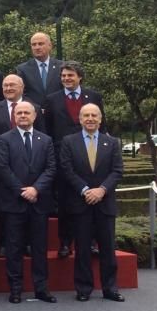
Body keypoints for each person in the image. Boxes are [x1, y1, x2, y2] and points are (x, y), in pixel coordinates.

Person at [60, 103, 125, 302]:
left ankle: (110, 288)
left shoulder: (112, 142)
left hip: (104, 204)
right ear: (80, 119)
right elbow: (67, 169)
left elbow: (117, 171)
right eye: (86, 115)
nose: (90, 119)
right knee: (82, 249)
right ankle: (83, 288)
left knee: (107, 248)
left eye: (94, 115)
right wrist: (86, 190)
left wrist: (102, 190)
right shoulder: (69, 141)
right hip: (81, 203)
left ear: (100, 119)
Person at [0, 101, 57, 304]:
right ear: (14, 116)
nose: (22, 115)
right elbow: (2, 168)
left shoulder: (46, 140)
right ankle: (16, 289)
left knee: (39, 248)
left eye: (26, 113)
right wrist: (22, 190)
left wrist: (35, 189)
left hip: (39, 202)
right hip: (14, 203)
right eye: (19, 113)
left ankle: (41, 288)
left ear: (34, 116)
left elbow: (51, 168)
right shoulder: (4, 139)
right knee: (14, 248)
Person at [43, 61, 105, 257]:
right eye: (63, 76)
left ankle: (92, 242)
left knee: (92, 200)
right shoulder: (52, 99)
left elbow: (102, 126)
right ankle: (65, 242)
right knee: (65, 202)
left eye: (70, 75)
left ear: (79, 77)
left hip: (90, 156)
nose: (66, 79)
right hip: (63, 159)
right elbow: (48, 130)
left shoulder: (93, 97)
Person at [0, 74, 44, 258]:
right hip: (2, 167)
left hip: (30, 167)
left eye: (12, 85)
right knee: (4, 207)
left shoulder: (35, 108)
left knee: (28, 208)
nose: (8, 88)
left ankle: (27, 243)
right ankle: (3, 243)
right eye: (5, 85)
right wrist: (4, 151)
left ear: (22, 87)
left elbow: (42, 135)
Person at [16, 32, 62, 108]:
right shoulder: (23, 69)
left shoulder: (61, 67)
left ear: (50, 46)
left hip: (57, 111)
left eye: (40, 44)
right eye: (34, 44)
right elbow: (22, 93)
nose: (37, 47)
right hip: (34, 113)